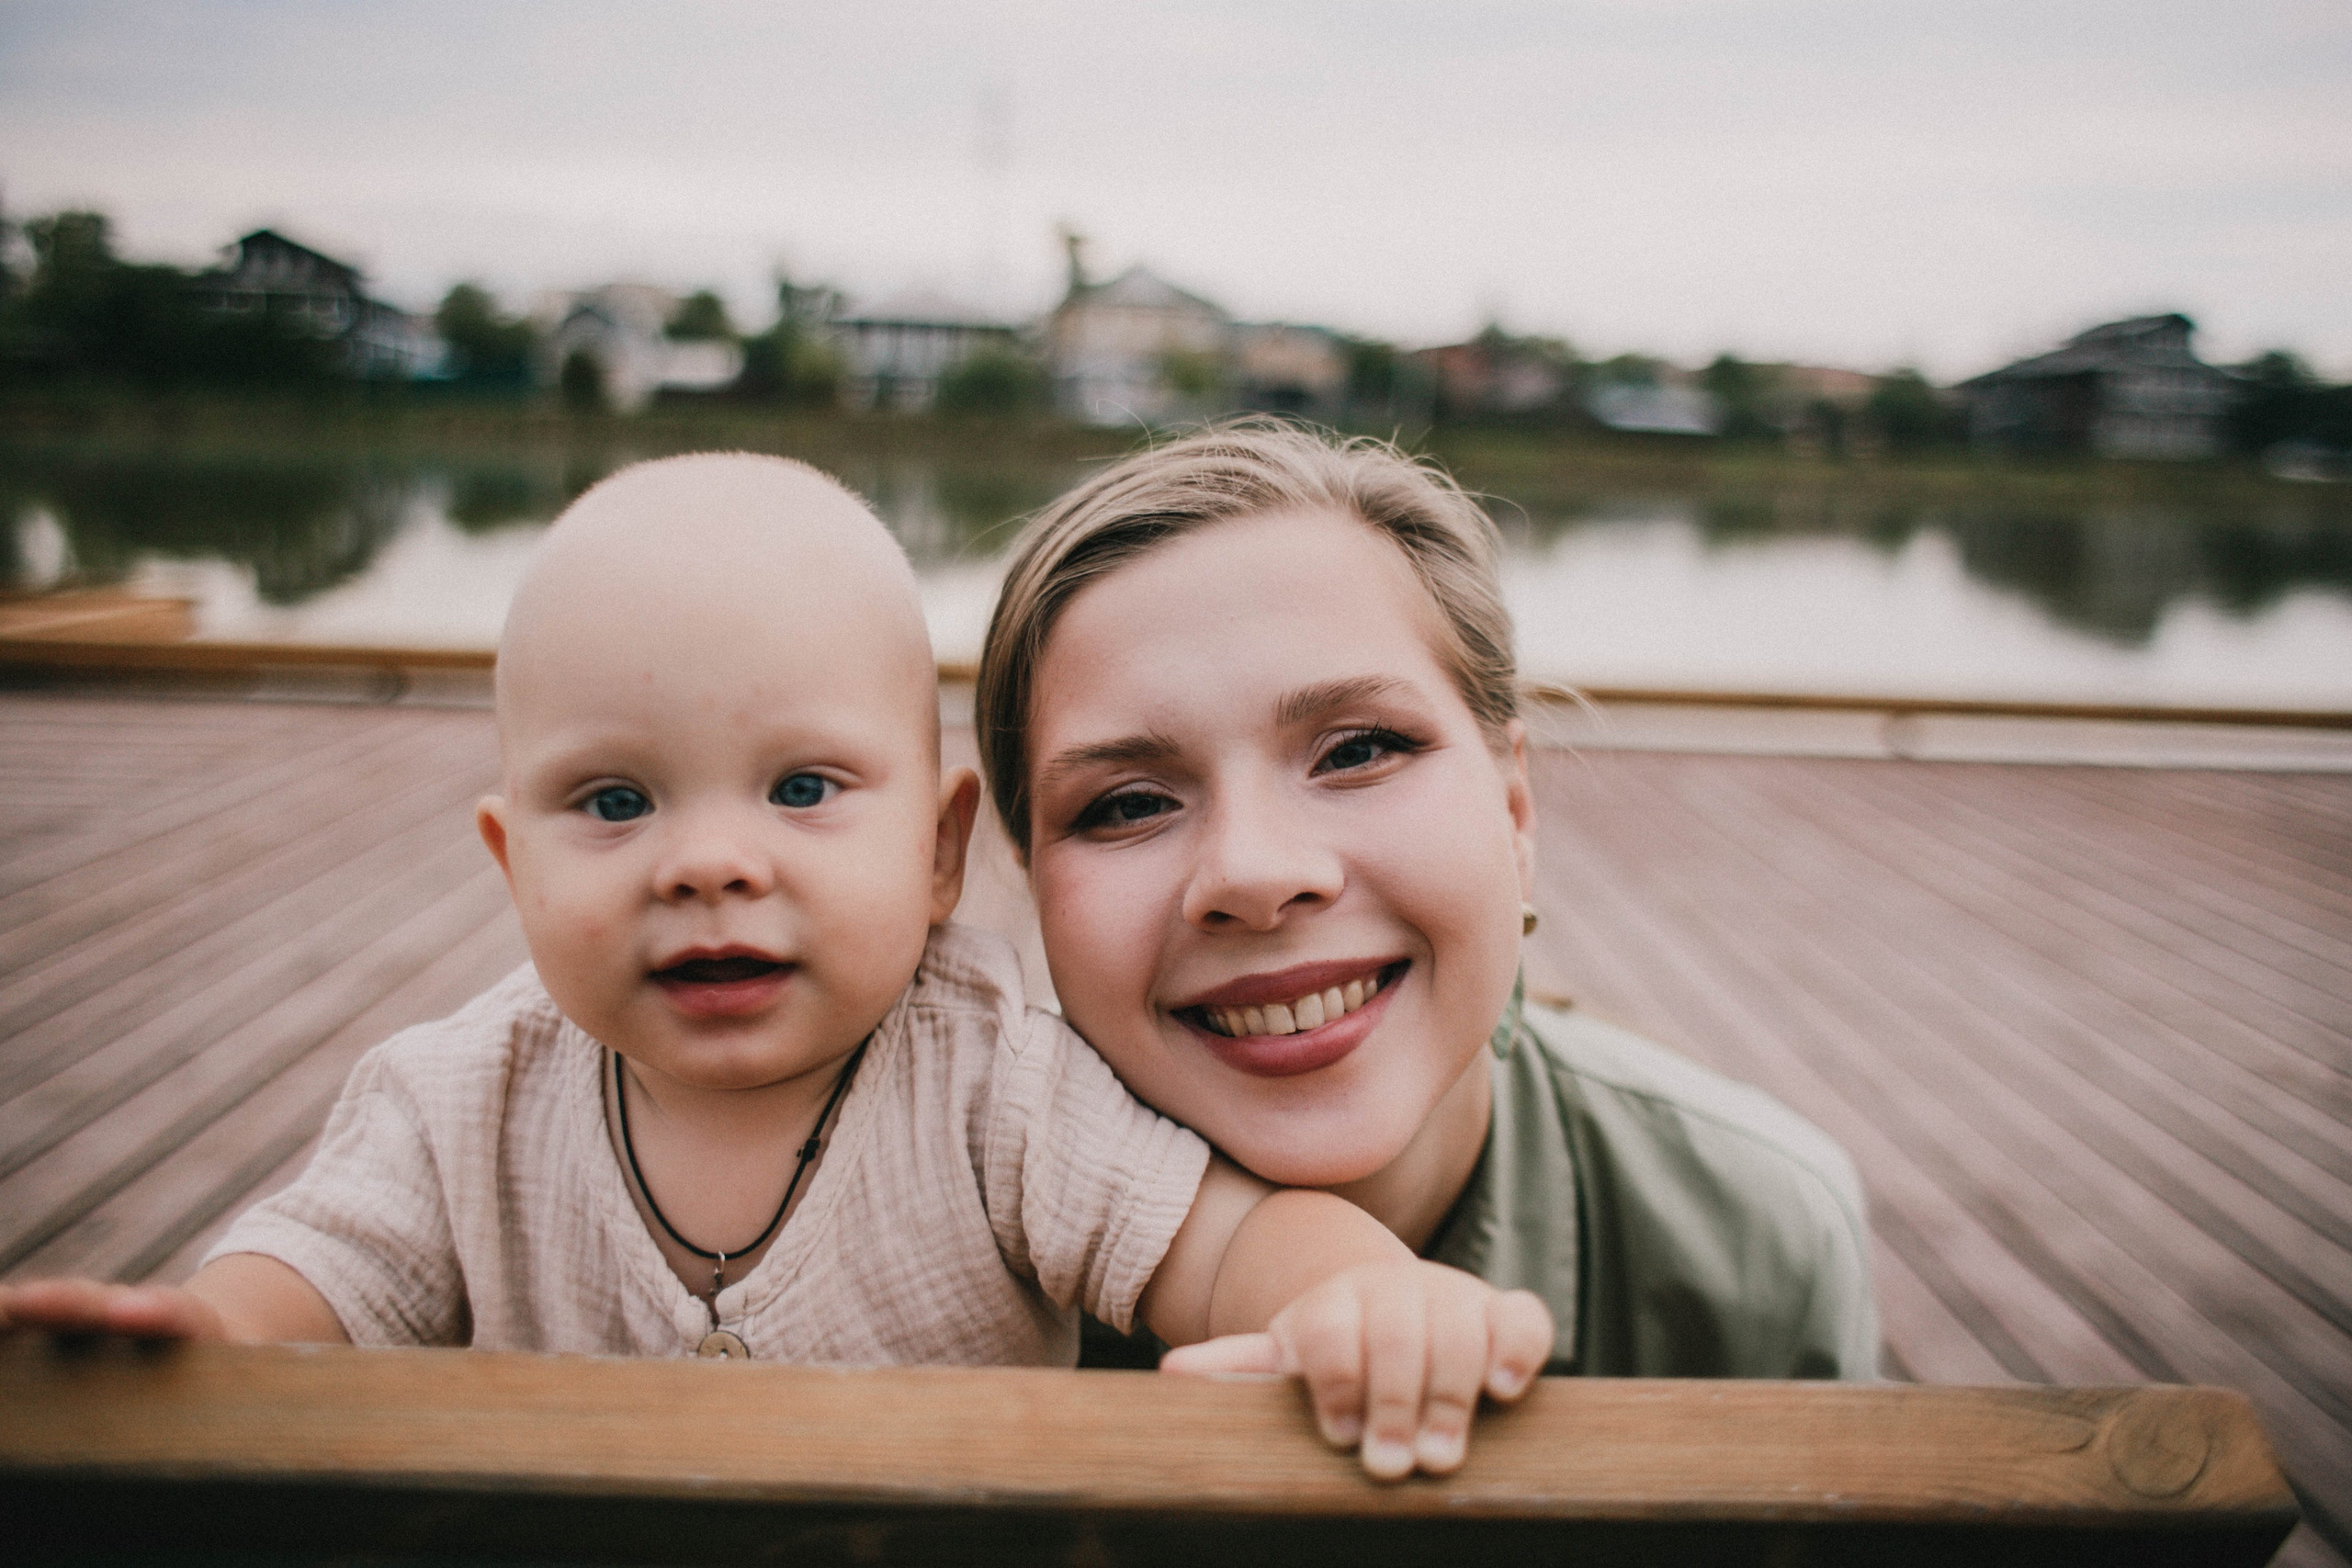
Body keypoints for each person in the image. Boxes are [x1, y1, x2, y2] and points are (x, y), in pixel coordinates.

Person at [0, 453, 1552, 1482]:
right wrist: (203, 1340)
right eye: (613, 803)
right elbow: (315, 1281)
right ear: (509, 860)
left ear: (944, 854)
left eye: (803, 790)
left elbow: (1224, 1251)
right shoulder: (455, 1099)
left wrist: (1359, 1296)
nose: (707, 861)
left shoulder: (996, 1085)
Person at [974, 423, 1880, 1379]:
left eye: (1359, 749)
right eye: (1129, 805)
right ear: (1034, 885)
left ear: (1515, 810)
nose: (1252, 872)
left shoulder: (1756, 1241)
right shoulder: (921, 1238)